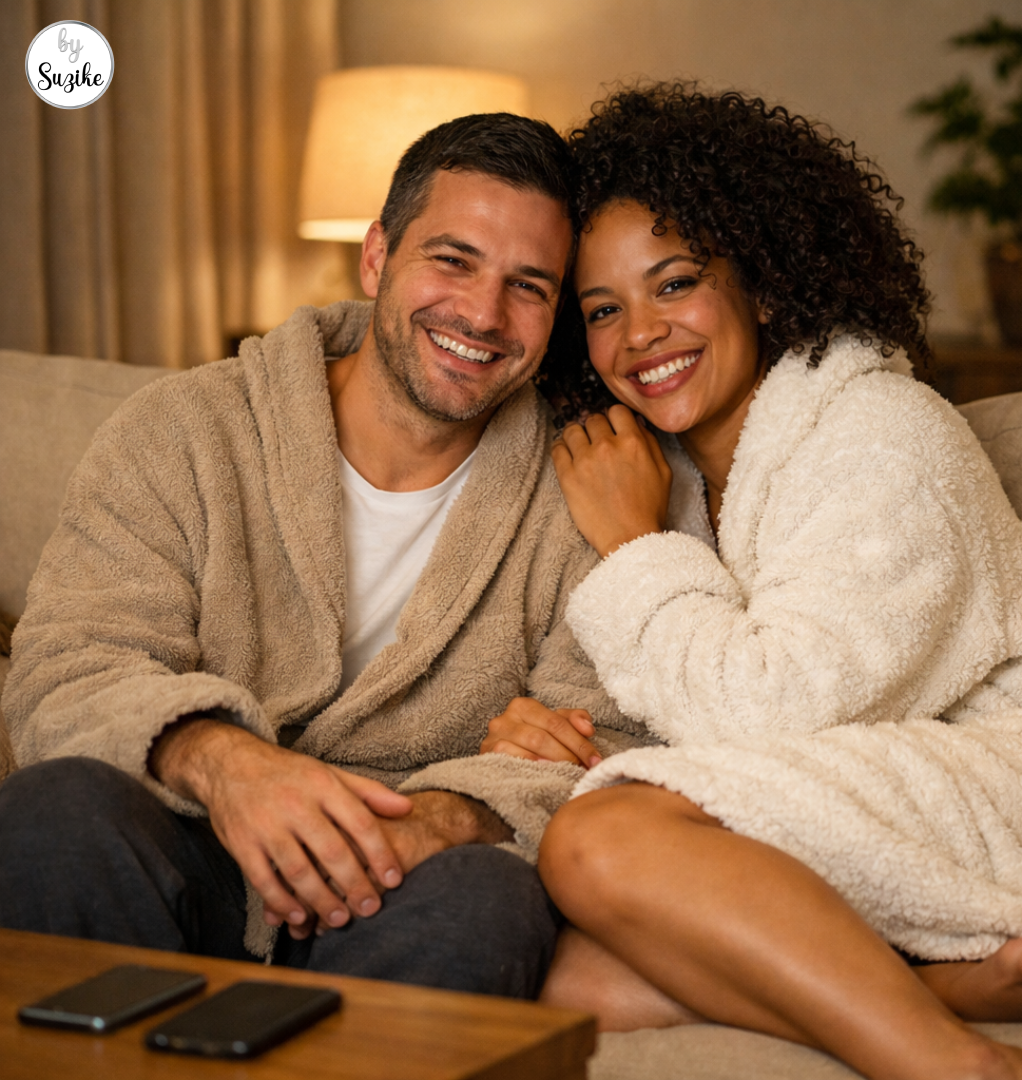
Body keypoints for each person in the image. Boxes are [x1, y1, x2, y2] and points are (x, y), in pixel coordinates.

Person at [486, 85, 1022, 1078]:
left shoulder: (884, 433)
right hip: (874, 792)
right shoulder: (671, 471)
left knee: (599, 844)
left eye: (674, 284)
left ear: (760, 282)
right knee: (578, 977)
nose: (640, 335)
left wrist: (635, 549)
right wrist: (547, 731)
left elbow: (770, 712)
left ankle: (954, 1060)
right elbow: (672, 706)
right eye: (602, 309)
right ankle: (931, 988)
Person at [0, 112, 642, 997]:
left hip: (398, 868)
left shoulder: (585, 483)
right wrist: (229, 764)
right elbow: (63, 666)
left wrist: (442, 816)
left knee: (485, 896)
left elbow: (604, 739)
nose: (483, 315)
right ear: (377, 256)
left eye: (528, 285)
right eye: (452, 260)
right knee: (53, 811)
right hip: (189, 834)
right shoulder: (183, 431)